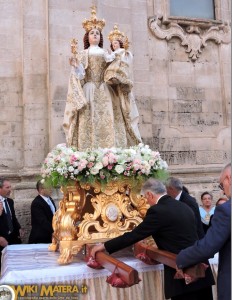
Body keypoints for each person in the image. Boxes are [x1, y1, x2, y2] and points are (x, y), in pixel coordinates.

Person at [91, 179, 214, 300]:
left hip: (184, 274)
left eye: (145, 197)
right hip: (202, 270)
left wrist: (104, 246)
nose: (146, 201)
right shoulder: (184, 205)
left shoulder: (157, 211)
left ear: (150, 194)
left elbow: (134, 235)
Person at [63, 7, 141, 150]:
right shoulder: (82, 53)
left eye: (97, 33)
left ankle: (111, 152)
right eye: (92, 33)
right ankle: (88, 152)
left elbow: (115, 67)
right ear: (87, 37)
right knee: (89, 120)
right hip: (89, 89)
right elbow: (80, 75)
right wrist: (75, 65)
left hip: (105, 90)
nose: (95, 35)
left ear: (101, 37)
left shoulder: (107, 53)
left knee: (110, 119)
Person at [176, 163, 231, 300]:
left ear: (228, 179)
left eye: (221, 185)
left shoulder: (226, 211)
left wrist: (181, 258)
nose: (223, 191)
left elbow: (208, 247)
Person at [105, 24, 141, 142]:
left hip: (122, 76)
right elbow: (108, 59)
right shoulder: (114, 53)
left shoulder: (123, 53)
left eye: (116, 43)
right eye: (113, 44)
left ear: (120, 43)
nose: (115, 45)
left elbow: (126, 61)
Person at [0, 177, 22, 270]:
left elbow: (12, 217)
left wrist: (19, 228)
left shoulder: (10, 201)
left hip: (13, 239)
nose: (10, 190)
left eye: (10, 187)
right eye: (7, 188)